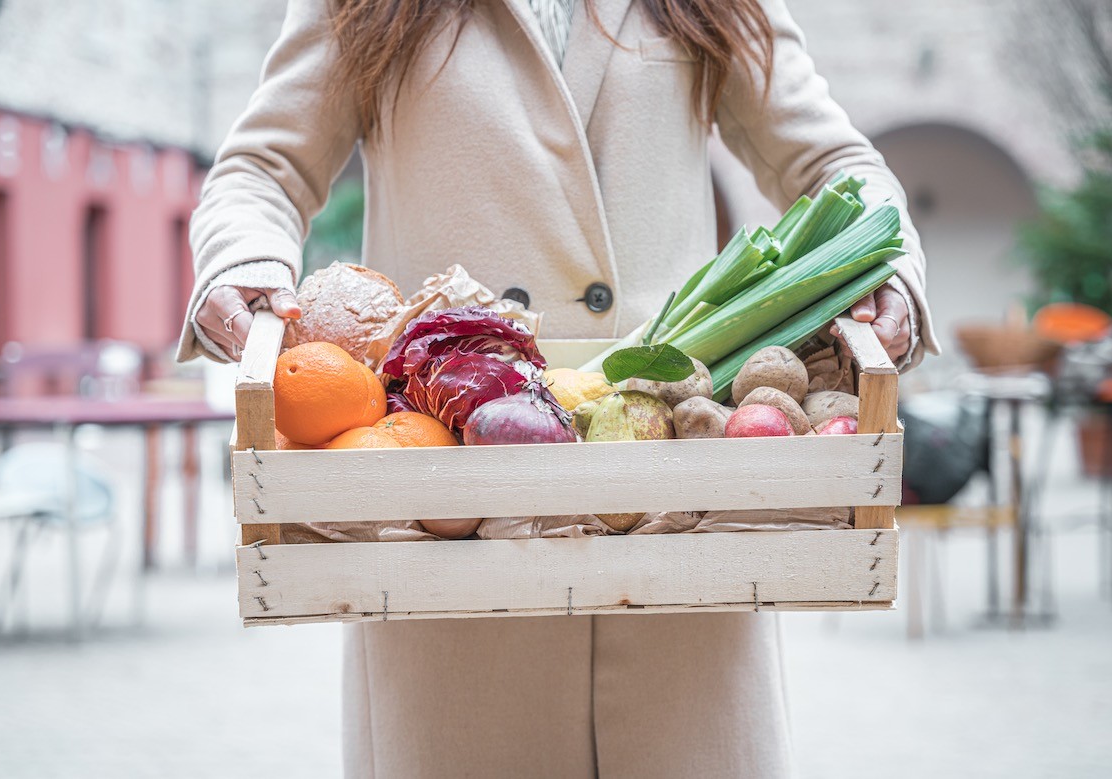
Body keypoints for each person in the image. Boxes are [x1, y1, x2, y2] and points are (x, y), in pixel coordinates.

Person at [180, 1, 939, 775]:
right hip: (448, 544)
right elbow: (264, 166)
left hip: (679, 527)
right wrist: (242, 255)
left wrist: (891, 274)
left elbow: (829, 160)